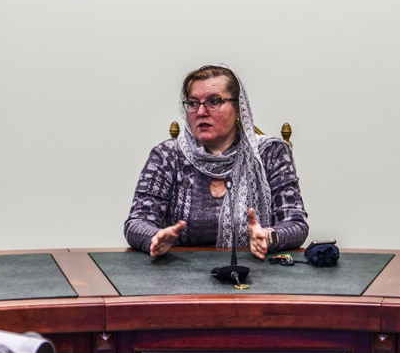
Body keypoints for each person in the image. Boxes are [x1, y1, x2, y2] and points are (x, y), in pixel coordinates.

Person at [125, 65, 308, 260]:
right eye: (193, 103)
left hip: (254, 271)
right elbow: (136, 223)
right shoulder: (167, 155)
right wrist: (154, 238)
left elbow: (296, 224)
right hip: (181, 272)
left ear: (238, 109)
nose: (201, 112)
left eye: (214, 101)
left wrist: (270, 237)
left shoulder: (270, 153)